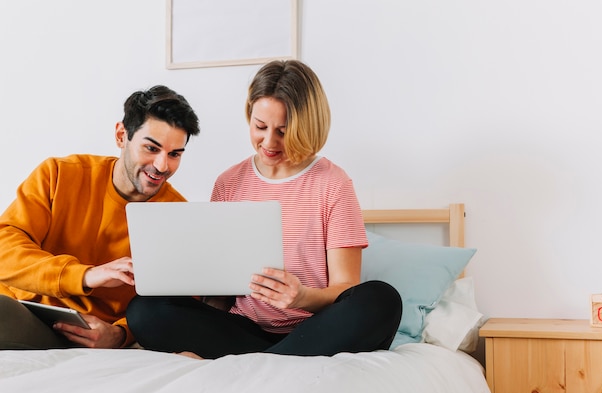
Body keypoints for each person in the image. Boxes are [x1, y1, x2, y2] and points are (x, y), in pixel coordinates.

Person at [127, 60, 402, 359]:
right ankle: (283, 361)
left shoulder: (333, 184)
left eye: (283, 131)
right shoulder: (229, 182)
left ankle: (267, 362)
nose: (268, 142)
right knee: (145, 309)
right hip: (243, 330)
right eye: (260, 127)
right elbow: (219, 291)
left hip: (314, 328)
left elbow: (345, 287)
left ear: (307, 126)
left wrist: (302, 296)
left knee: (381, 299)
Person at [0, 85, 200, 350]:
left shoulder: (178, 215)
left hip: (93, 335)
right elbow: (4, 248)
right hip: (25, 310)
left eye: (174, 154)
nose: (163, 166)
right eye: (151, 148)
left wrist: (121, 335)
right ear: (121, 135)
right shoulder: (59, 174)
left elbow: (181, 304)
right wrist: (85, 275)